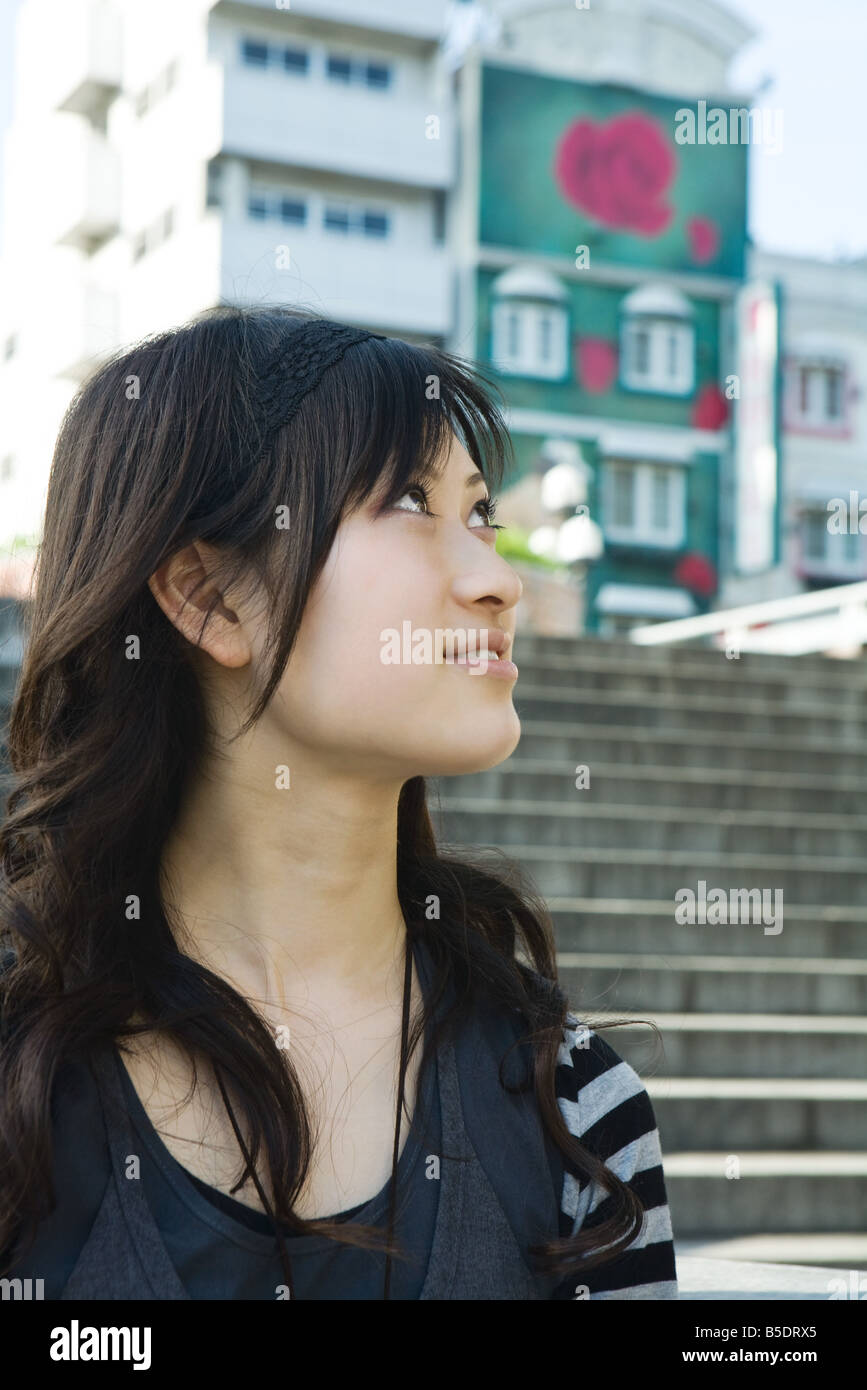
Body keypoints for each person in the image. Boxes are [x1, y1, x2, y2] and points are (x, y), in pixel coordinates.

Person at [0, 306, 677, 1300]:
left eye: (482, 512)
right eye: (411, 499)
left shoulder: (573, 1106)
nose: (498, 581)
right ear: (210, 598)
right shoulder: (23, 1090)